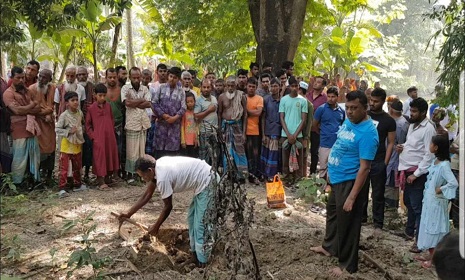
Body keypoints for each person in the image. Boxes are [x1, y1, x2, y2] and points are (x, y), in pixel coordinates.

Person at [311, 90, 379, 276]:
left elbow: (365, 168)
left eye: (354, 108)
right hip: (337, 177)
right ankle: (329, 246)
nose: (349, 112)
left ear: (365, 108)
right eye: (347, 107)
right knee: (333, 214)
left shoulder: (368, 133)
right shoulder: (349, 121)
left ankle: (348, 266)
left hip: (351, 181)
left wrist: (352, 197)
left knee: (349, 223)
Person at [118, 155, 216, 267]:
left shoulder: (162, 178)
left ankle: (203, 262)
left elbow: (168, 207)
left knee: (201, 225)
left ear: (150, 170)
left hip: (208, 181)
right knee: (192, 219)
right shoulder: (157, 167)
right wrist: (129, 213)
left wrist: (156, 227)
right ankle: (195, 255)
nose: (142, 179)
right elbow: (147, 195)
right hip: (202, 182)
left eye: (143, 176)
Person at [397, 97, 436, 252]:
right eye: (411, 110)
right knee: (408, 202)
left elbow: (429, 154)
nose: (411, 114)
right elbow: (412, 144)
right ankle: (409, 231)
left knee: (417, 206)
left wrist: (417, 174)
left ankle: (420, 242)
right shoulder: (413, 125)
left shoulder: (428, 129)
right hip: (406, 169)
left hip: (417, 173)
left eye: (414, 111)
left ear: (423, 112)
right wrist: (402, 147)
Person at [415, 135, 458, 268]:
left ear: (436, 147)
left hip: (436, 204)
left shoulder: (444, 165)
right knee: (428, 227)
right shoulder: (435, 162)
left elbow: (453, 183)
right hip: (429, 202)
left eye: (431, 144)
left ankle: (434, 260)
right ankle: (430, 255)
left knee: (435, 230)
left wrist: (441, 189)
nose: (429, 146)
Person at [361, 88, 396, 237]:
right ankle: (361, 218)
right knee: (361, 190)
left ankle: (378, 223)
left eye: (376, 101)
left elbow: (391, 142)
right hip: (363, 159)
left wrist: (385, 163)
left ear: (382, 101)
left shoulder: (388, 120)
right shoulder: (364, 116)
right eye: (371, 100)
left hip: (378, 161)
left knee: (378, 193)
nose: (372, 103)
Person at [3, 66, 42, 185]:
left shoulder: (28, 91)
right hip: (18, 129)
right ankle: (17, 183)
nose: (21, 80)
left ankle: (33, 181)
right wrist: (32, 106)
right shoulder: (8, 93)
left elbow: (38, 108)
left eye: (22, 77)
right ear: (12, 78)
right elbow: (17, 111)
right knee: (19, 158)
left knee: (34, 156)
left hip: (31, 128)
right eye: (18, 78)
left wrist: (28, 109)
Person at [85, 83, 119, 190]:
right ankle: (101, 181)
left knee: (110, 155)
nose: (102, 98)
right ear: (95, 95)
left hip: (110, 137)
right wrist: (93, 136)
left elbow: (112, 119)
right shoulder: (91, 108)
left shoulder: (108, 106)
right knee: (99, 158)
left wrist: (111, 130)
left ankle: (108, 177)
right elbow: (88, 125)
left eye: (104, 95)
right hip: (98, 138)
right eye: (100, 95)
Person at [121, 67, 152, 183]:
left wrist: (134, 102)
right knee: (131, 151)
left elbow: (149, 104)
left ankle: (141, 174)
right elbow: (126, 103)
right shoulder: (125, 88)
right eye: (134, 77)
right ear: (130, 77)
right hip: (132, 123)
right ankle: (131, 175)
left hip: (143, 123)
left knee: (141, 151)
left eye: (138, 77)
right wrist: (141, 100)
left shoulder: (145, 88)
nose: (136, 79)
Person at [28, 69, 56, 181]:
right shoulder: (31, 89)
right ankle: (36, 176)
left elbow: (55, 105)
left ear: (50, 79)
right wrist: (44, 114)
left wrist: (51, 114)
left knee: (51, 147)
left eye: (44, 77)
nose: (41, 79)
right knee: (38, 149)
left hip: (49, 125)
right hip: (37, 124)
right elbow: (30, 108)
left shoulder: (54, 88)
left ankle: (49, 175)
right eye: (40, 76)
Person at [55, 91, 86, 196]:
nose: (76, 102)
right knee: (64, 167)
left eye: (77, 100)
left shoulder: (80, 113)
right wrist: (68, 132)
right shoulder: (64, 115)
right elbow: (57, 129)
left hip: (77, 143)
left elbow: (82, 124)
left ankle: (77, 184)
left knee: (77, 165)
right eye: (72, 100)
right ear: (67, 103)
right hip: (66, 145)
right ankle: (62, 187)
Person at [312, 86, 345, 184]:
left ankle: (332, 188)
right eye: (329, 96)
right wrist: (322, 132)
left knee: (334, 167)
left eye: (333, 97)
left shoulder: (341, 111)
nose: (330, 99)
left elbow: (342, 125)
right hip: (324, 143)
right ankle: (322, 188)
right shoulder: (321, 109)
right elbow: (314, 124)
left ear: (337, 97)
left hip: (337, 144)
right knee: (323, 167)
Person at [218, 75, 248, 178]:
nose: (230, 88)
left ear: (236, 86)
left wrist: (244, 133)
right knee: (227, 151)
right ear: (226, 86)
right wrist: (219, 130)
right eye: (229, 86)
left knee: (240, 151)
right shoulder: (221, 97)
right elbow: (219, 114)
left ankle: (241, 175)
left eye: (232, 86)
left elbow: (245, 115)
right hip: (226, 127)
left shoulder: (241, 96)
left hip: (237, 127)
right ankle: (229, 174)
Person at [153, 67, 186, 159]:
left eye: (175, 77)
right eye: (171, 76)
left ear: (178, 79)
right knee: (159, 154)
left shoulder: (181, 91)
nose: (172, 79)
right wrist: (163, 115)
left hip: (174, 126)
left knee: (171, 156)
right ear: (168, 76)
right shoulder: (161, 88)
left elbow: (184, 107)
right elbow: (154, 102)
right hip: (161, 125)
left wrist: (174, 118)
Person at [279, 77, 308, 183]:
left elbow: (304, 119)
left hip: (298, 135)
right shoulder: (284, 100)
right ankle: (286, 178)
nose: (295, 88)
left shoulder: (303, 101)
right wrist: (288, 134)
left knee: (299, 159)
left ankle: (298, 180)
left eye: (296, 86)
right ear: (289, 87)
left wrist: (295, 135)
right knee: (285, 158)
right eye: (292, 86)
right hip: (285, 134)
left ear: (299, 87)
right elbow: (281, 117)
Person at [385, 100, 409, 209]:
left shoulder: (398, 124)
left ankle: (390, 209)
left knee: (391, 186)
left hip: (393, 161)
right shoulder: (404, 122)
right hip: (393, 160)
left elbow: (400, 144)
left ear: (391, 109)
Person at [260, 78, 282, 181]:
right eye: (272, 86)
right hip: (268, 130)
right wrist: (263, 134)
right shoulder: (266, 99)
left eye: (276, 86)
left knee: (274, 154)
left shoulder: (283, 101)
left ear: (280, 87)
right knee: (266, 153)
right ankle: (264, 174)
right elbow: (263, 118)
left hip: (277, 131)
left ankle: (271, 175)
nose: (274, 88)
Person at [105, 68, 125, 178]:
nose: (112, 79)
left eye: (114, 77)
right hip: (105, 126)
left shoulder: (122, 90)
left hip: (119, 125)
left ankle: (117, 173)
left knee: (118, 150)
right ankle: (107, 173)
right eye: (110, 77)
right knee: (107, 150)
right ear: (106, 78)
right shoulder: (102, 91)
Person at [306, 76, 327, 174]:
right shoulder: (307, 95)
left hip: (317, 129)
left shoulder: (325, 98)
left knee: (314, 151)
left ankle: (312, 172)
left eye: (318, 82)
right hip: (305, 127)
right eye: (315, 81)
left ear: (323, 86)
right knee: (303, 149)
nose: (315, 83)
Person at [194, 79, 218, 165]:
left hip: (214, 131)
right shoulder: (198, 100)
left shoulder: (214, 98)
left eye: (208, 87)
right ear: (201, 88)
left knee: (215, 155)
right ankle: (204, 175)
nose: (206, 89)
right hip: (204, 132)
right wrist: (209, 110)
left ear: (211, 88)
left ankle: (214, 174)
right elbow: (196, 117)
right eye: (204, 87)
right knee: (204, 156)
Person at [77, 66, 94, 181]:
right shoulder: (74, 87)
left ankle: (87, 173)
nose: (82, 76)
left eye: (84, 74)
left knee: (88, 148)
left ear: (87, 75)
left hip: (90, 124)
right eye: (80, 75)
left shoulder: (92, 87)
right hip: (76, 123)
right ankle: (77, 174)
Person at [245, 77, 264, 184]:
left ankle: (255, 176)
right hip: (244, 131)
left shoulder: (259, 99)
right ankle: (247, 176)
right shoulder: (243, 98)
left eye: (253, 87)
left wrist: (246, 110)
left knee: (256, 155)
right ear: (246, 87)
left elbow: (258, 113)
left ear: (256, 88)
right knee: (247, 155)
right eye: (249, 86)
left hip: (255, 131)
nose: (251, 88)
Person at [298, 81, 314, 178]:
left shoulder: (309, 105)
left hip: (304, 135)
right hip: (294, 133)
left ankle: (303, 177)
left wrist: (306, 137)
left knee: (303, 157)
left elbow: (309, 123)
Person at [181, 92, 198, 158]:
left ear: (194, 101)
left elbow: (197, 126)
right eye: (188, 102)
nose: (190, 103)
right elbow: (182, 126)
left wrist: (197, 139)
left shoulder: (196, 112)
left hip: (194, 140)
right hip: (186, 141)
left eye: (191, 101)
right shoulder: (184, 113)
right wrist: (183, 141)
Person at [0, 76, 12, 174]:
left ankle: (5, 177)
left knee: (4, 152)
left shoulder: (2, 82)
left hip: (2, 123)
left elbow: (5, 108)